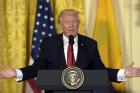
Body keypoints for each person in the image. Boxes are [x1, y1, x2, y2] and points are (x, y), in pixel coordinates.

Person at [0, 9, 140, 93]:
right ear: (61, 24)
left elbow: (100, 71)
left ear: (78, 24)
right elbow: (38, 68)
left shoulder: (90, 44)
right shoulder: (49, 44)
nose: (71, 25)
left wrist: (122, 73)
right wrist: (16, 73)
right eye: (67, 22)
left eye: (74, 22)